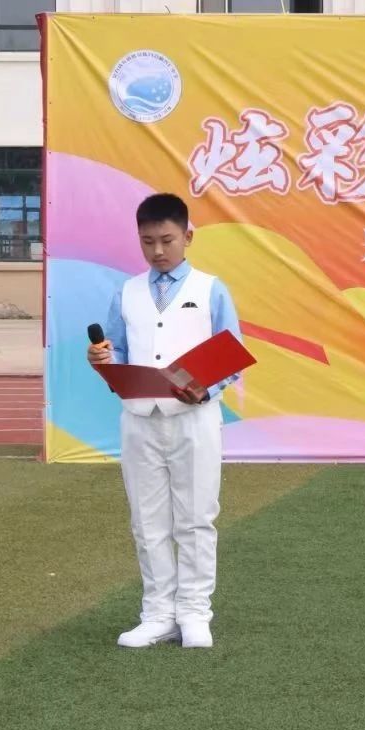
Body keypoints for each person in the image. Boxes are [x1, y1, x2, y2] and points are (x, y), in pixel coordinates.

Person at [87, 194, 241, 649]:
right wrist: (101, 359)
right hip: (139, 419)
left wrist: (206, 389)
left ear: (187, 236)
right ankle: (157, 614)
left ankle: (194, 613)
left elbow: (232, 355)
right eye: (148, 241)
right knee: (147, 521)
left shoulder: (211, 289)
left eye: (167, 240)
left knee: (196, 518)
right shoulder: (127, 292)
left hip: (194, 417)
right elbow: (115, 349)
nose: (157, 250)